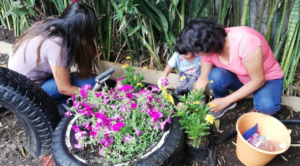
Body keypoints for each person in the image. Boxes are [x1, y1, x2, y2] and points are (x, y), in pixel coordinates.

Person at [174, 18, 283, 118]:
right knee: (215, 75)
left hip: (267, 80)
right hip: (241, 79)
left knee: (266, 106)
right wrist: (189, 102)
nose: (197, 54)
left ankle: (250, 107)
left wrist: (226, 100)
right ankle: (224, 102)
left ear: (208, 44)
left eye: (198, 51)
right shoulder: (206, 50)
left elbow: (258, 81)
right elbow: (203, 78)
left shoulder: (245, 40)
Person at [8, 2, 98, 103]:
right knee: (91, 83)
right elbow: (64, 88)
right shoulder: (56, 46)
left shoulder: (52, 22)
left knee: (87, 82)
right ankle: (54, 104)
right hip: (26, 92)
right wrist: (96, 95)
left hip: (14, 82)